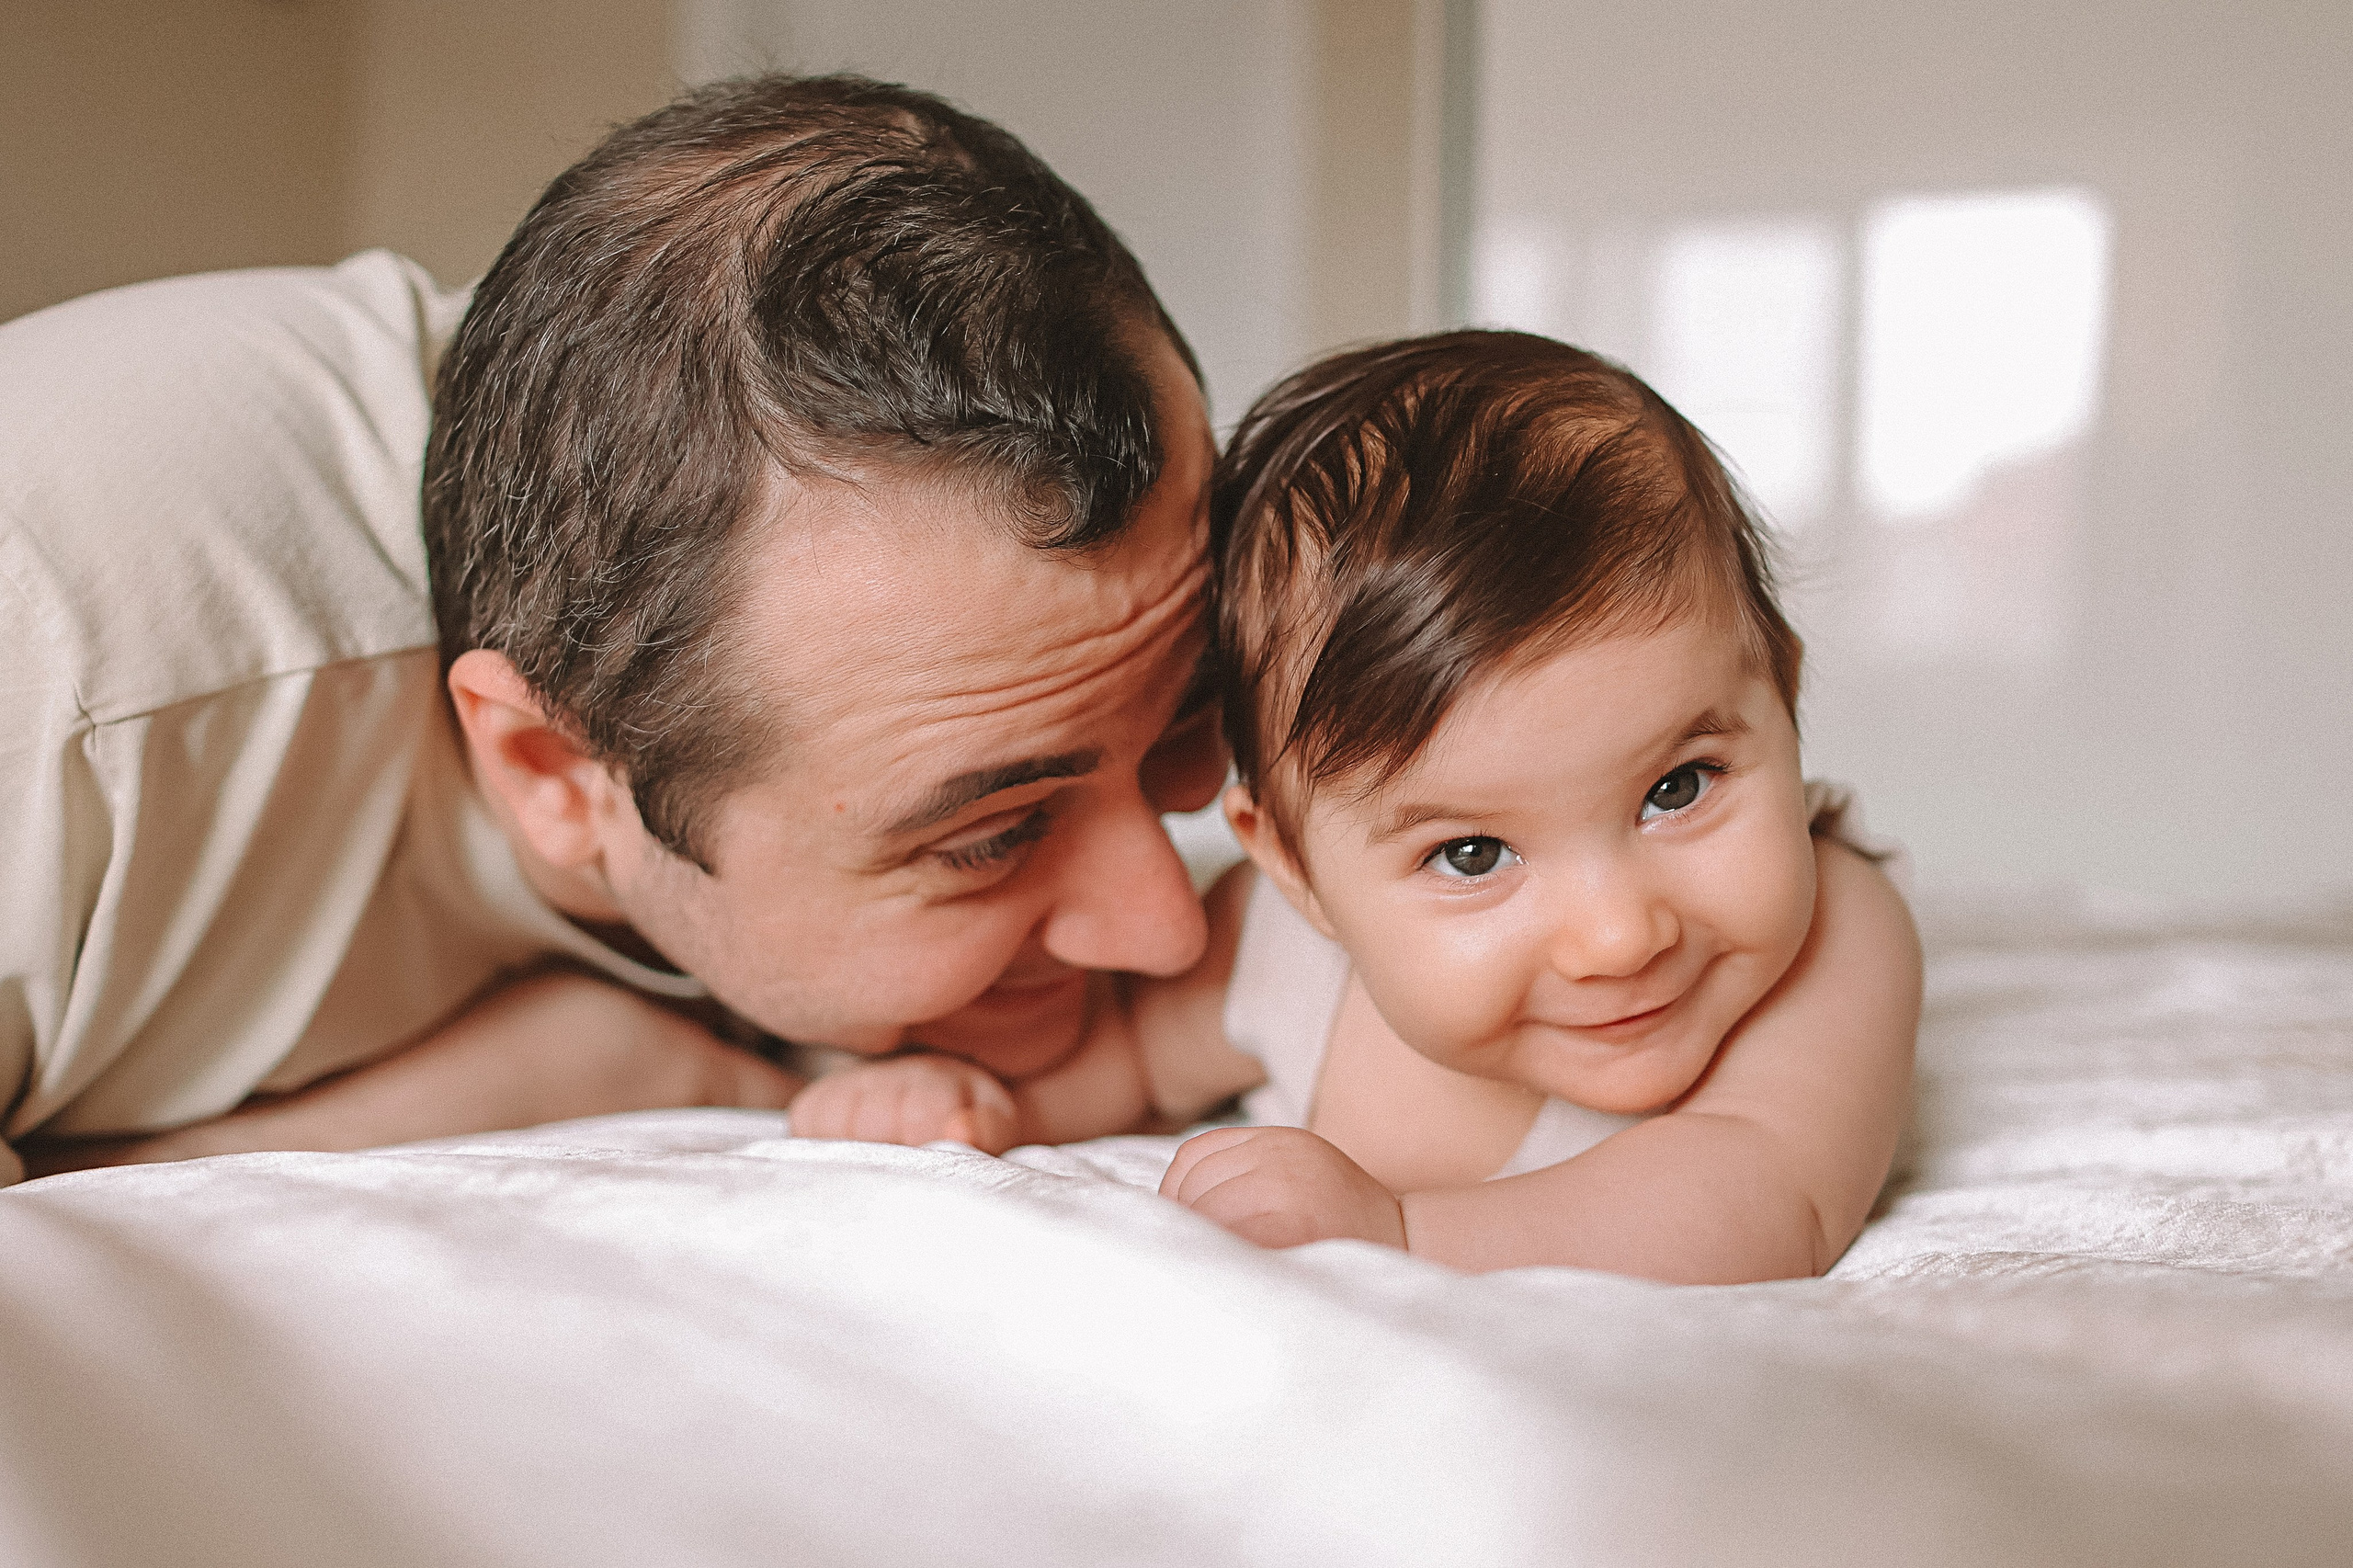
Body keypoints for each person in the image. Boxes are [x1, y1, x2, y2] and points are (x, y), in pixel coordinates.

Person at [0, 74, 1224, 1184]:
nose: (1164, 925)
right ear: (556, 769)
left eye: (1188, 728)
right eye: (994, 835)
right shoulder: (66, 677)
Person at [792, 331, 1921, 1283]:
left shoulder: (1834, 935)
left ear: (1781, 685)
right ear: (1294, 868)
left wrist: (1401, 1229)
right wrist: (959, 1105)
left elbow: (1767, 1195)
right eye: (1473, 852)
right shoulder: (1272, 943)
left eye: (1678, 788)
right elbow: (1123, 1061)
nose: (1620, 933)